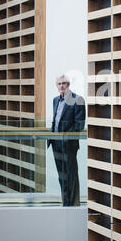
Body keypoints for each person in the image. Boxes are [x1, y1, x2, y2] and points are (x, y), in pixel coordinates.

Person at [48, 75, 85, 206]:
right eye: (59, 84)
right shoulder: (55, 100)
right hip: (55, 143)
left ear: (68, 84)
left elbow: (79, 124)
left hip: (69, 143)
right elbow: (55, 121)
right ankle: (66, 203)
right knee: (61, 175)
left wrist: (66, 136)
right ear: (57, 86)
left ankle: (73, 204)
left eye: (64, 83)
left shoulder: (78, 100)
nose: (61, 86)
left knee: (71, 174)